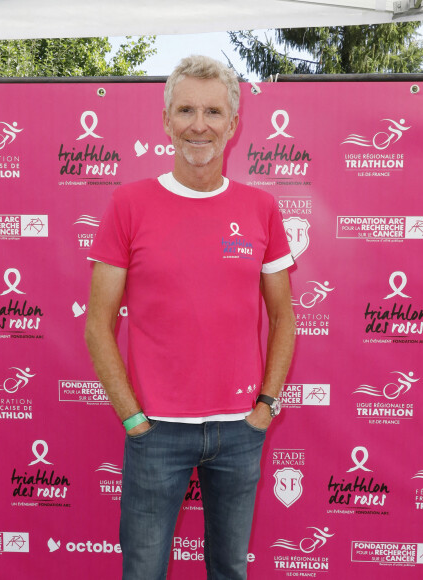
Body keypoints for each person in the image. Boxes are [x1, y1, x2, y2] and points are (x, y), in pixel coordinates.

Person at [85, 55, 296, 580]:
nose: (198, 125)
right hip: (155, 431)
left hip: (239, 431)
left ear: (233, 123)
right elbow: (97, 322)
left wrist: (265, 405)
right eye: (185, 110)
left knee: (229, 569)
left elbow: (285, 316)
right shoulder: (128, 204)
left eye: (213, 112)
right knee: (143, 571)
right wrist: (133, 417)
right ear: (166, 121)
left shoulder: (261, 208)